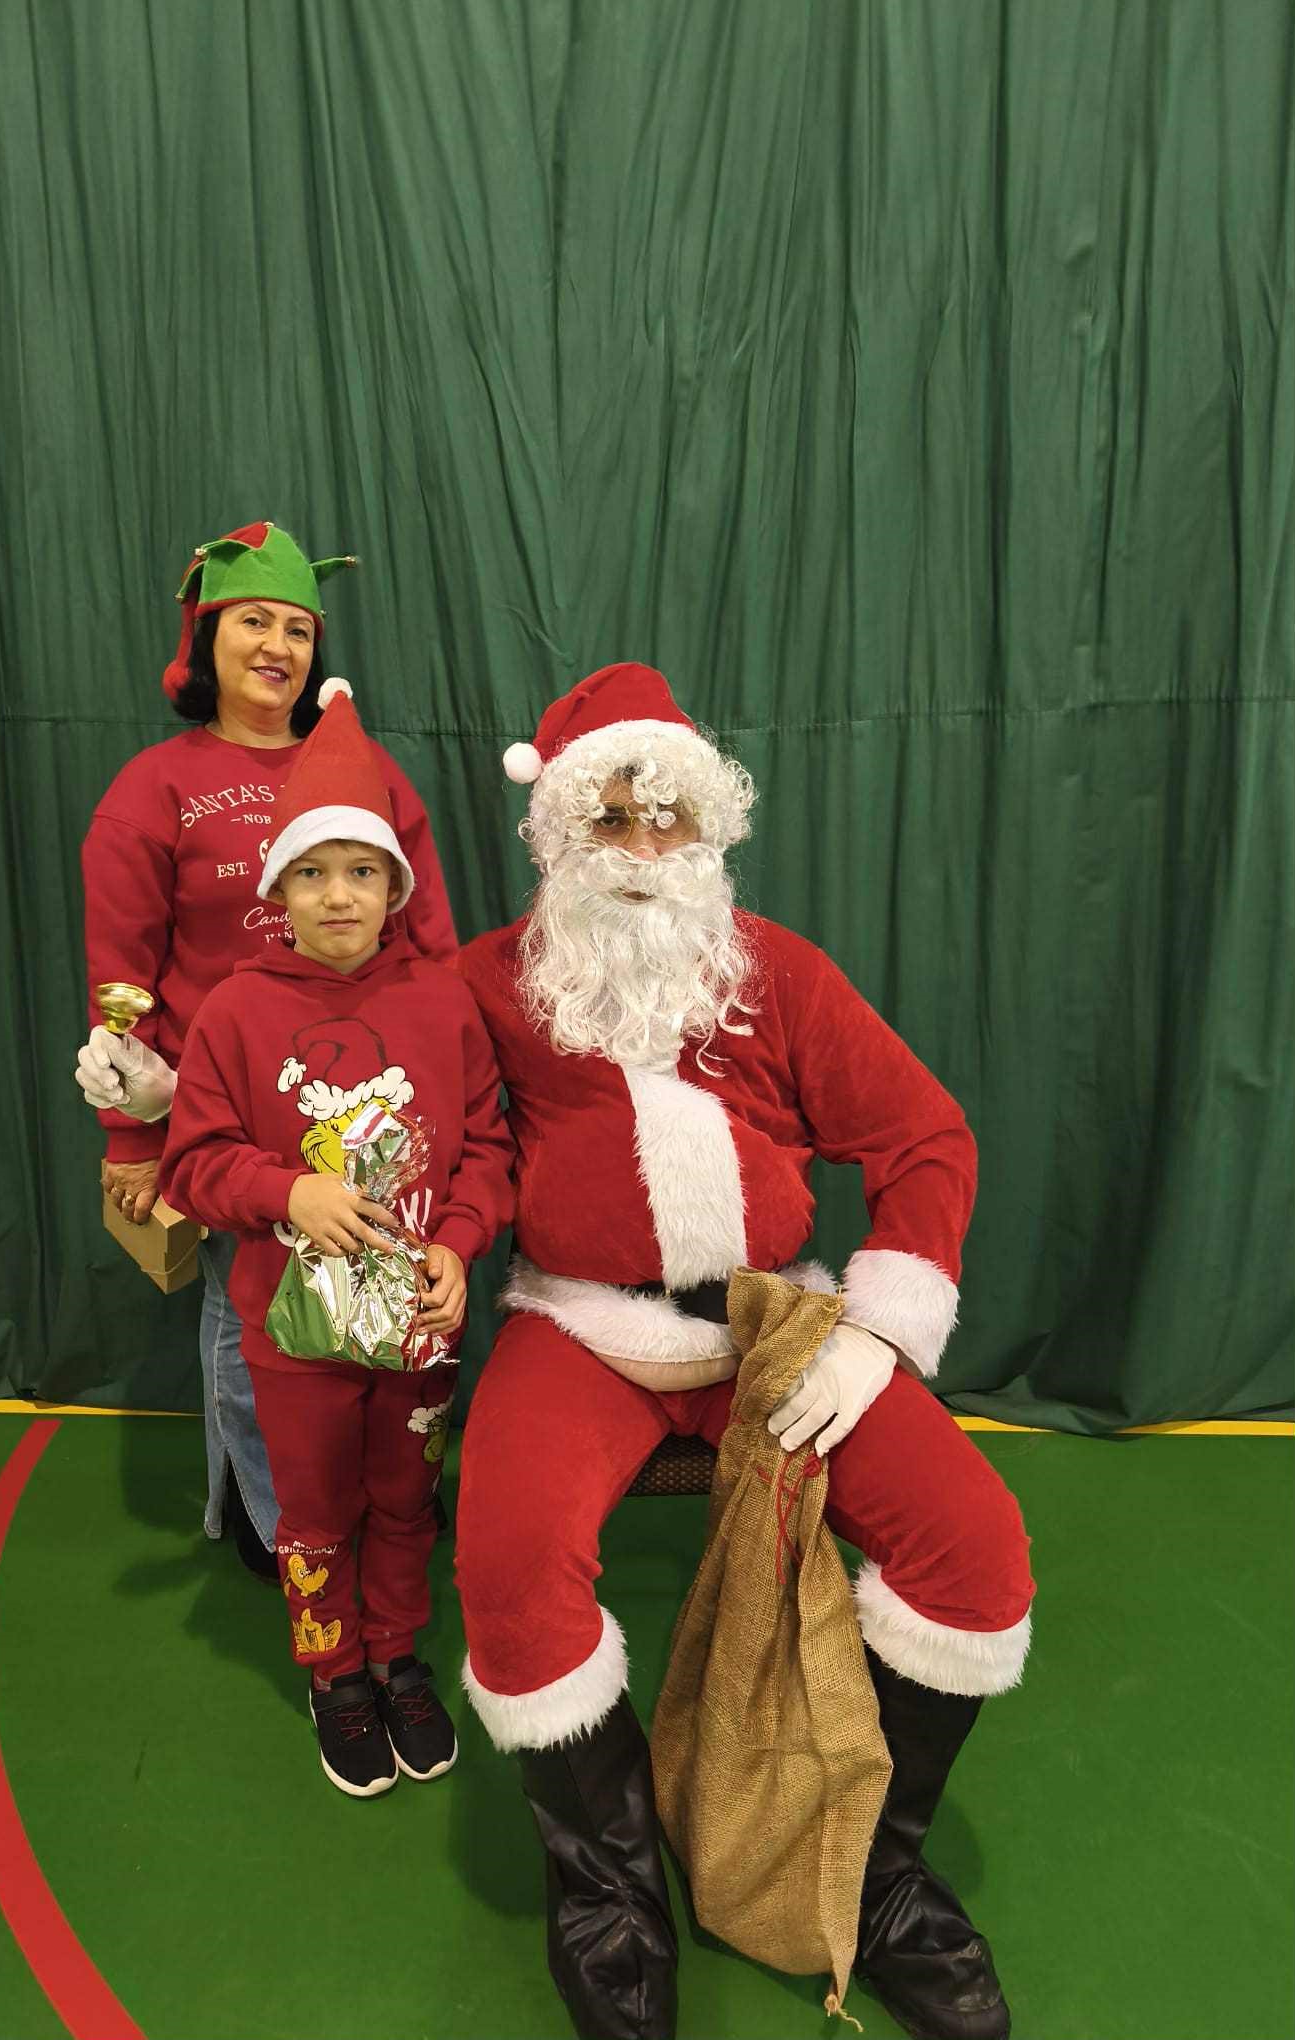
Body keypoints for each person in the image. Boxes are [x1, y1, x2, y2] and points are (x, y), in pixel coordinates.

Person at [453, 663, 1034, 2040]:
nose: (641, 850)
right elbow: (432, 1134)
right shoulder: (485, 982)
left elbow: (923, 1137)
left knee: (974, 1554)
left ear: (707, 828)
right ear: (559, 836)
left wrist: (880, 1328)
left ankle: (868, 1869)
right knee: (511, 1567)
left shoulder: (779, 972)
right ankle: (607, 1894)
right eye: (610, 820)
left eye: (666, 818)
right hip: (579, 1327)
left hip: (772, 1327)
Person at [73, 522, 457, 1577]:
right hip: (233, 1113)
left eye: (297, 627)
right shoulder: (154, 789)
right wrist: (131, 1132)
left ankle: (390, 1494)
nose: (277, 646)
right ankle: (273, 1511)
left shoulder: (366, 772)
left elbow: (429, 937)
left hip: (373, 1104)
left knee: (385, 1291)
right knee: (249, 1319)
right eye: (253, 621)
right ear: (206, 637)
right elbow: (120, 972)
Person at [159, 683, 513, 1795]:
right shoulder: (234, 1012)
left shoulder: (446, 1004)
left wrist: (461, 1241)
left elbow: (490, 1148)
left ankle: (398, 1655)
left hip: (419, 1328)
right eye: (312, 873)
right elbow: (190, 1164)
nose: (339, 895)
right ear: (277, 890)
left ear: (396, 886)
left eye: (362, 871)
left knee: (405, 1498)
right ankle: (336, 1673)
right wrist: (286, 1192)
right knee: (313, 1513)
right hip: (293, 1338)